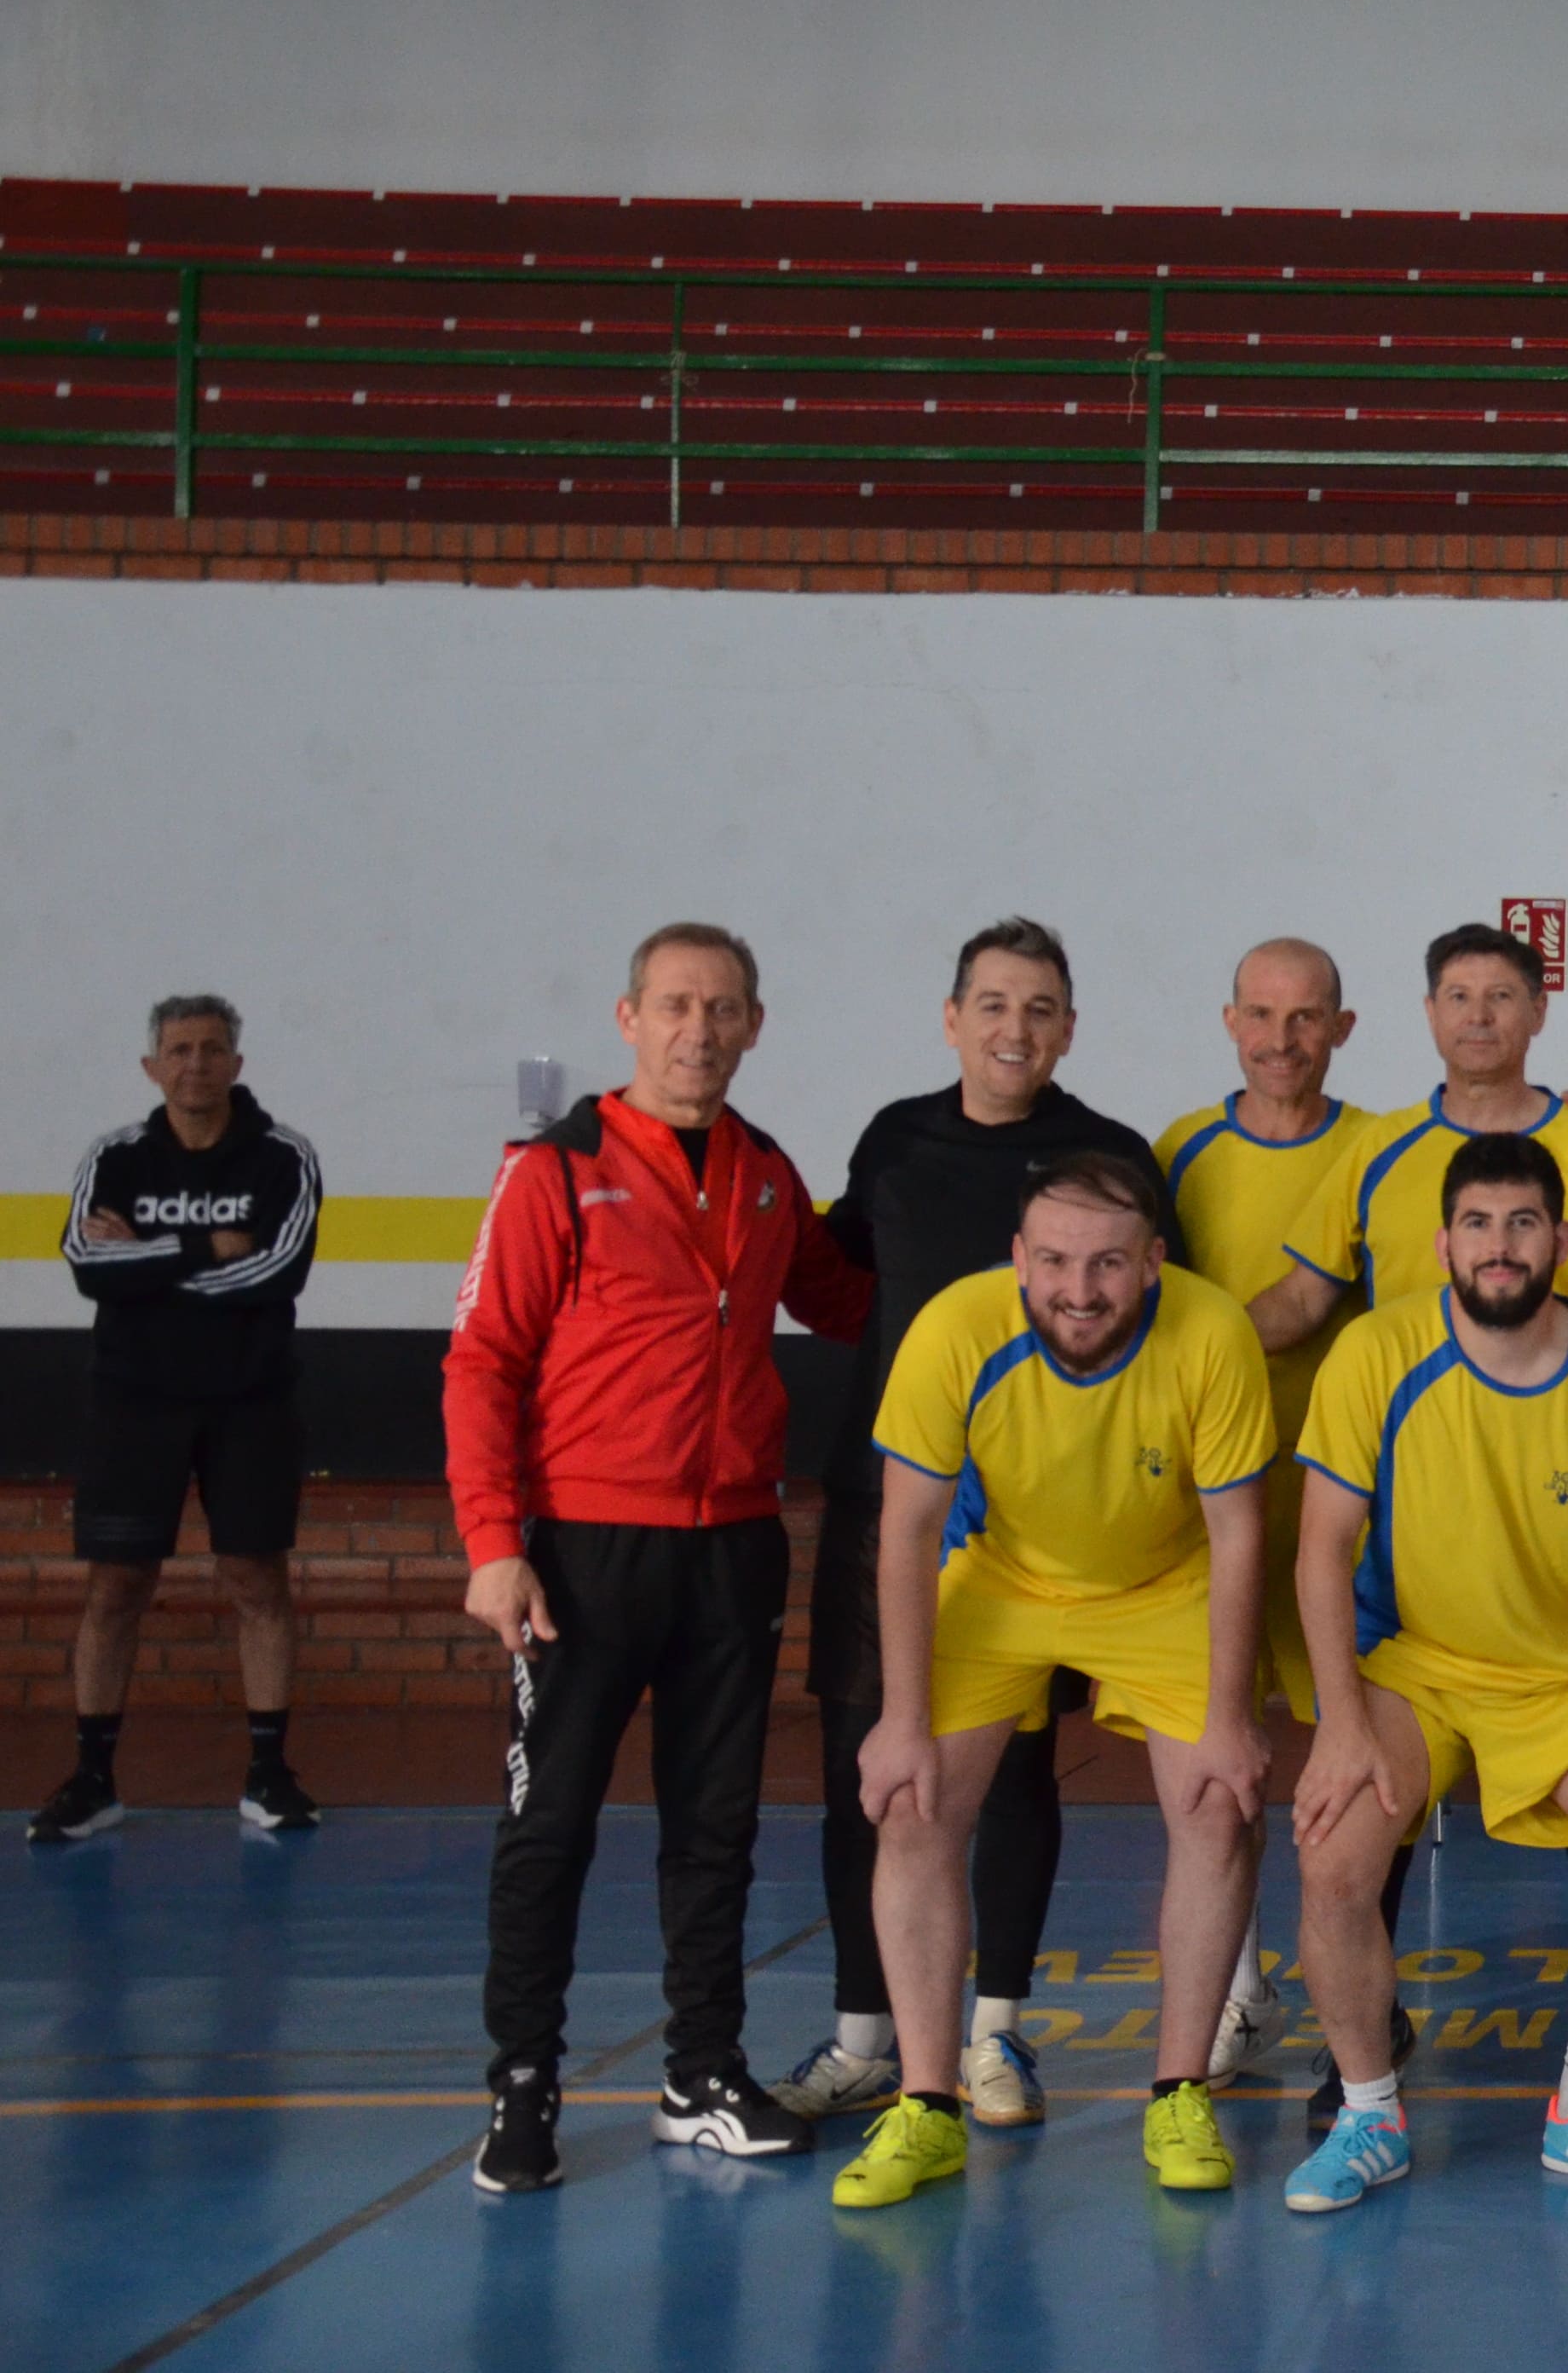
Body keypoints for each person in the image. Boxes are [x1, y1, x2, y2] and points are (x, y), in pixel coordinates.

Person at [443, 925, 873, 2195]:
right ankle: (524, 2086)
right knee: (549, 1829)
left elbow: (848, 1302)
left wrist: (1015, 1277)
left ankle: (702, 2077)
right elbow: (482, 1362)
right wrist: (493, 1544)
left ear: (754, 1026)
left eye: (723, 1008)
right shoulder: (557, 1169)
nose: (700, 1030)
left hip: (733, 1547)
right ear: (630, 1018)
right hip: (582, 1554)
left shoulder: (763, 1173)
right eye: (677, 1005)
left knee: (715, 1830)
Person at [781, 919, 1174, 2131]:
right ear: (952, 1019)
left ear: (1069, 1029)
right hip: (891, 1499)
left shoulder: (1108, 1158)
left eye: (1040, 1008)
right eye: (993, 1005)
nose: (1015, 1029)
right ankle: (867, 2038)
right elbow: (836, 1283)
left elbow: (1156, 1320)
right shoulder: (895, 1141)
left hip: (1044, 1517)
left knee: (1010, 1774)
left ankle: (996, 2033)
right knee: (871, 1765)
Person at [826, 1154, 1275, 2211]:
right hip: (1003, 1578)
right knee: (912, 1803)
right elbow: (907, 1530)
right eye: (1058, 1262)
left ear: (1152, 1262)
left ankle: (1178, 2093)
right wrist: (900, 1719)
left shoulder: (1212, 1334)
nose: (1081, 1289)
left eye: (1109, 1263)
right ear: (1019, 1260)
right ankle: (927, 2106)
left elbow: (1238, 1534)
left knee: (1218, 1805)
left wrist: (1228, 1719)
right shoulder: (953, 1328)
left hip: (1164, 1582)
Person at [1279, 1131, 1568, 2210]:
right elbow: (1321, 1547)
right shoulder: (1376, 1351)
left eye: (1522, 1223)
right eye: (1477, 1223)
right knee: (1332, 1857)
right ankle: (1368, 2116)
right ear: (1443, 1243)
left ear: (1562, 1239)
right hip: (1418, 1667)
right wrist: (1339, 1722)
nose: (1499, 1245)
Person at [1156, 938, 1377, 2112]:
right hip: (1214, 1517)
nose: (1281, 1040)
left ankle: (1365, 2009)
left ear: (1342, 1029)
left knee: (1358, 1768)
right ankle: (1241, 1990)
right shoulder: (1179, 1152)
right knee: (1222, 1760)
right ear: (1228, 1020)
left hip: (1343, 1516)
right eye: (1261, 1014)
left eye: (1305, 1018)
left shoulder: (1380, 1149)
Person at [35, 995, 323, 1845]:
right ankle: (93, 1781)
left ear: (236, 1064)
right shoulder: (115, 1157)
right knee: (116, 1586)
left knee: (256, 1579)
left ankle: (269, 1775)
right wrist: (203, 1249)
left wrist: (145, 1269)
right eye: (179, 1049)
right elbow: (87, 1265)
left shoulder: (283, 1157)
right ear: (152, 1067)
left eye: (211, 1048)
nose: (195, 1063)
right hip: (134, 1405)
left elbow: (277, 1272)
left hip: (250, 1404)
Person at [1257, 921, 1568, 1356]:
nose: (1478, 1017)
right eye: (1459, 997)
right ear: (1431, 1012)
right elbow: (1303, 1299)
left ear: (1538, 1011)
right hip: (1409, 1397)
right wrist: (1217, 1342)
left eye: (1500, 996)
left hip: (1551, 1397)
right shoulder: (1378, 1145)